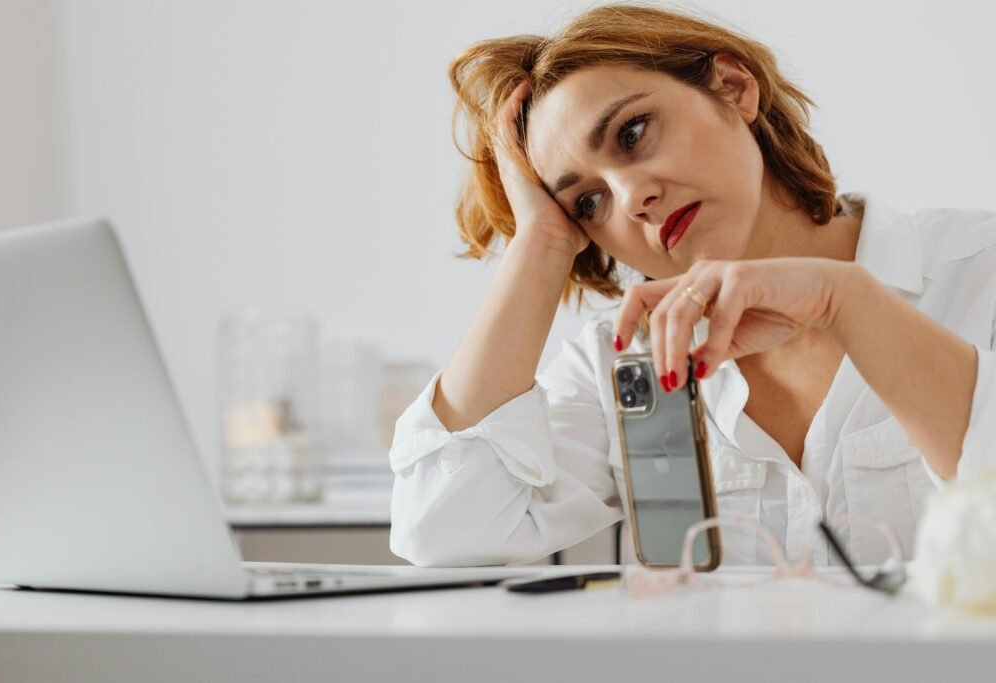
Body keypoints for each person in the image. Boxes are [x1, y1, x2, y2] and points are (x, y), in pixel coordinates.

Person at [388, 3, 996, 567]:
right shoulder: (622, 362)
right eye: (588, 202)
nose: (633, 199)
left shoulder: (977, 271)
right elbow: (444, 531)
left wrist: (849, 304)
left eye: (631, 133)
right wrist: (539, 244)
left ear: (733, 88)